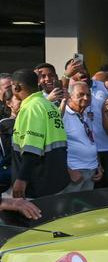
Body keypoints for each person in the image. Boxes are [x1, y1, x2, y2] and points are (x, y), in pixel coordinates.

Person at [11, 68, 69, 197]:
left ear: (16, 87)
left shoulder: (32, 107)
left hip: (37, 183)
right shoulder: (49, 105)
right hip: (54, 179)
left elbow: (32, 148)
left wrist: (21, 179)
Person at [62, 80, 108, 191]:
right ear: (70, 97)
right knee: (71, 207)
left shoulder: (85, 115)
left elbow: (91, 141)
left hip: (91, 171)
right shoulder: (63, 115)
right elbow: (57, 146)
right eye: (81, 95)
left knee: (86, 207)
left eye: (88, 95)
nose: (85, 98)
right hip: (74, 172)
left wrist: (98, 165)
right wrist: (69, 171)